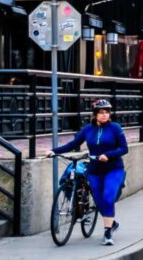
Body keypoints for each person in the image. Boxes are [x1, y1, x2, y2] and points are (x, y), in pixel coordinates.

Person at [54, 99, 129, 246]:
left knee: (108, 197)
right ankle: (112, 223)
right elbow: (73, 144)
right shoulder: (88, 129)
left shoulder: (115, 128)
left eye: (107, 112)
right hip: (94, 170)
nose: (104, 115)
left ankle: (108, 233)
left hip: (113, 168)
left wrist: (108, 155)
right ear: (95, 114)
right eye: (101, 112)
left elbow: (124, 148)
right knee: (99, 202)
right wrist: (54, 151)